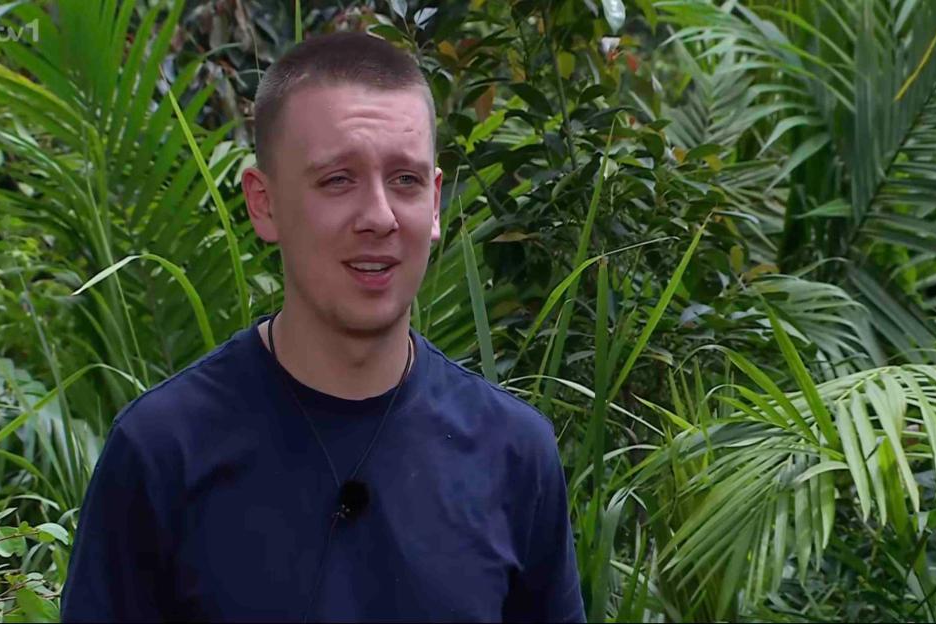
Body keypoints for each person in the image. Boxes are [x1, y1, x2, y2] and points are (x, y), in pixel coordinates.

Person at [60, 31, 586, 623]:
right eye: (338, 179)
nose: (380, 217)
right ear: (264, 203)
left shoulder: (514, 455)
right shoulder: (162, 452)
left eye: (406, 180)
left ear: (435, 204)